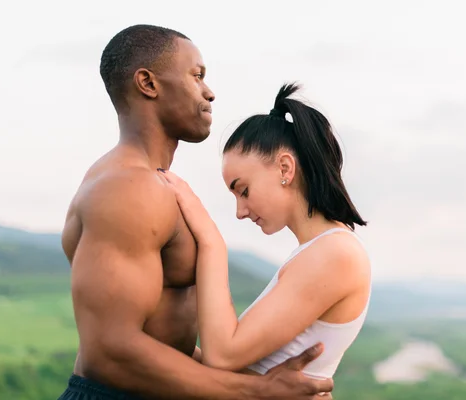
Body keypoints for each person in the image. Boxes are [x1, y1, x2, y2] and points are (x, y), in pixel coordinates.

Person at [56, 24, 334, 400]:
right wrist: (255, 391)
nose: (209, 92)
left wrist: (264, 379)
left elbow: (163, 345)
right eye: (197, 76)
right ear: (148, 84)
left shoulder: (155, 184)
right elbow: (108, 350)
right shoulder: (127, 188)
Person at [158, 82, 372, 380]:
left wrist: (210, 241)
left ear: (285, 168)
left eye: (243, 191)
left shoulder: (335, 254)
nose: (240, 212)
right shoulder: (315, 253)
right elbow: (240, 370)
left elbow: (223, 356)